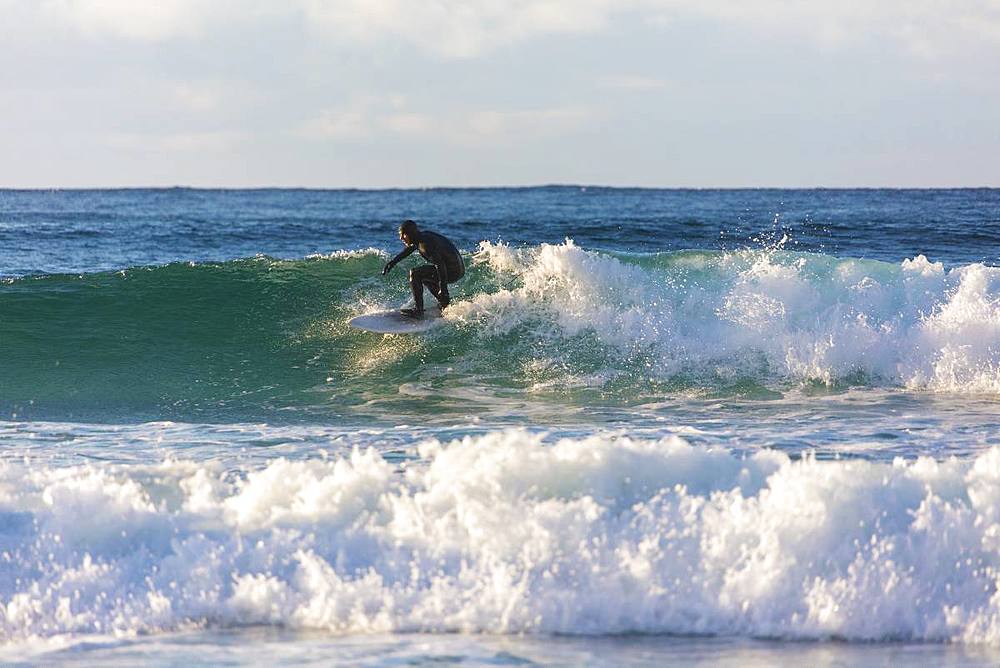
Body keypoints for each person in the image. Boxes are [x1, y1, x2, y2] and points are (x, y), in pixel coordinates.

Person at [382, 220, 465, 317]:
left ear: (410, 234)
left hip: (452, 271)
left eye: (403, 235)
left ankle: (418, 311)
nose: (401, 238)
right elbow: (411, 248)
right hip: (457, 269)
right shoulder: (421, 237)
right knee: (424, 277)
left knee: (415, 273)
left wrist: (443, 289)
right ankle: (444, 303)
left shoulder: (426, 245)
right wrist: (393, 262)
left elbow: (440, 265)